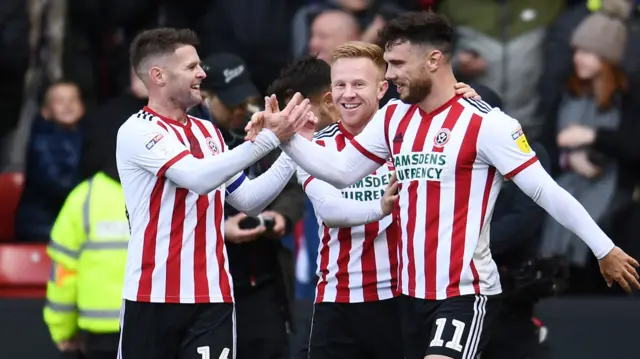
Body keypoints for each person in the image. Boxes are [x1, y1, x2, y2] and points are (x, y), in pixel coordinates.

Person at [249, 12, 640, 359]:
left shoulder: (488, 124)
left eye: (398, 64)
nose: (389, 75)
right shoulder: (395, 118)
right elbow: (338, 171)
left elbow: (546, 191)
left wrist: (604, 248)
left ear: (434, 60)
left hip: (464, 293)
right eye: (387, 64)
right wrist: (285, 136)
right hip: (409, 297)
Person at [115, 28, 313, 359]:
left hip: (212, 299)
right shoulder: (137, 130)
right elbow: (196, 177)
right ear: (158, 75)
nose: (202, 74)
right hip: (152, 297)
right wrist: (268, 139)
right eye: (191, 67)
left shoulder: (208, 131)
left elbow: (248, 200)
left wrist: (292, 146)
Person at [195, 52, 306, 359]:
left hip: (263, 279)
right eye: (232, 102)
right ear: (206, 97)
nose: (242, 109)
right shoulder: (192, 138)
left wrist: (280, 215)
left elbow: (291, 186)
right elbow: (173, 211)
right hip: (209, 288)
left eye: (245, 99)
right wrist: (221, 230)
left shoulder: (258, 122)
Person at [44, 162, 129, 359]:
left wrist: (62, 330)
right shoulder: (167, 191)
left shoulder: (85, 197)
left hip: (100, 337)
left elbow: (64, 274)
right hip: (158, 332)